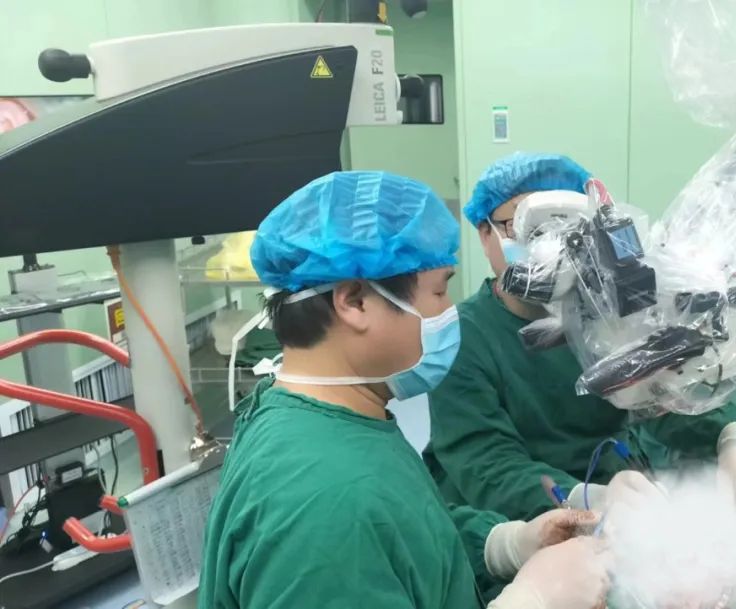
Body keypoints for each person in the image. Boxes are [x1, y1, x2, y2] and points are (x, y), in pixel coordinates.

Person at [198, 171, 610, 609]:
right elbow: (358, 532)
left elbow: (406, 532)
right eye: (439, 290)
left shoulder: (326, 418)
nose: (449, 312)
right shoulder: (325, 501)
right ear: (355, 301)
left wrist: (503, 545)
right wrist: (532, 601)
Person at [425, 153, 736, 521]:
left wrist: (732, 439)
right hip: (515, 516)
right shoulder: (463, 336)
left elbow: (662, 404)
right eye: (520, 226)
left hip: (614, 491)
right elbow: (485, 463)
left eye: (561, 227)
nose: (544, 246)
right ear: (484, 233)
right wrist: (581, 498)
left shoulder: (607, 319)